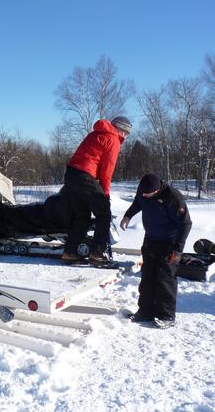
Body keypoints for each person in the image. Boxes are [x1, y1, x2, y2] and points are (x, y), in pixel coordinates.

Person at [120, 173, 192, 328]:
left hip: (169, 243)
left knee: (165, 279)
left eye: (148, 194)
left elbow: (185, 224)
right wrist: (127, 216)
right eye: (142, 193)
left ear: (157, 190)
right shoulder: (143, 191)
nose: (144, 196)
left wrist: (178, 250)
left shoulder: (173, 197)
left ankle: (166, 316)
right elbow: (138, 202)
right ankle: (145, 312)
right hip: (151, 239)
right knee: (147, 277)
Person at [61, 116, 132, 266]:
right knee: (104, 213)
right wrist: (105, 194)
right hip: (84, 176)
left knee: (82, 215)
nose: (125, 136)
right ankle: (97, 253)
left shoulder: (96, 133)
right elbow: (107, 171)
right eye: (125, 132)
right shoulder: (113, 139)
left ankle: (69, 253)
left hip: (71, 175)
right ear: (119, 129)